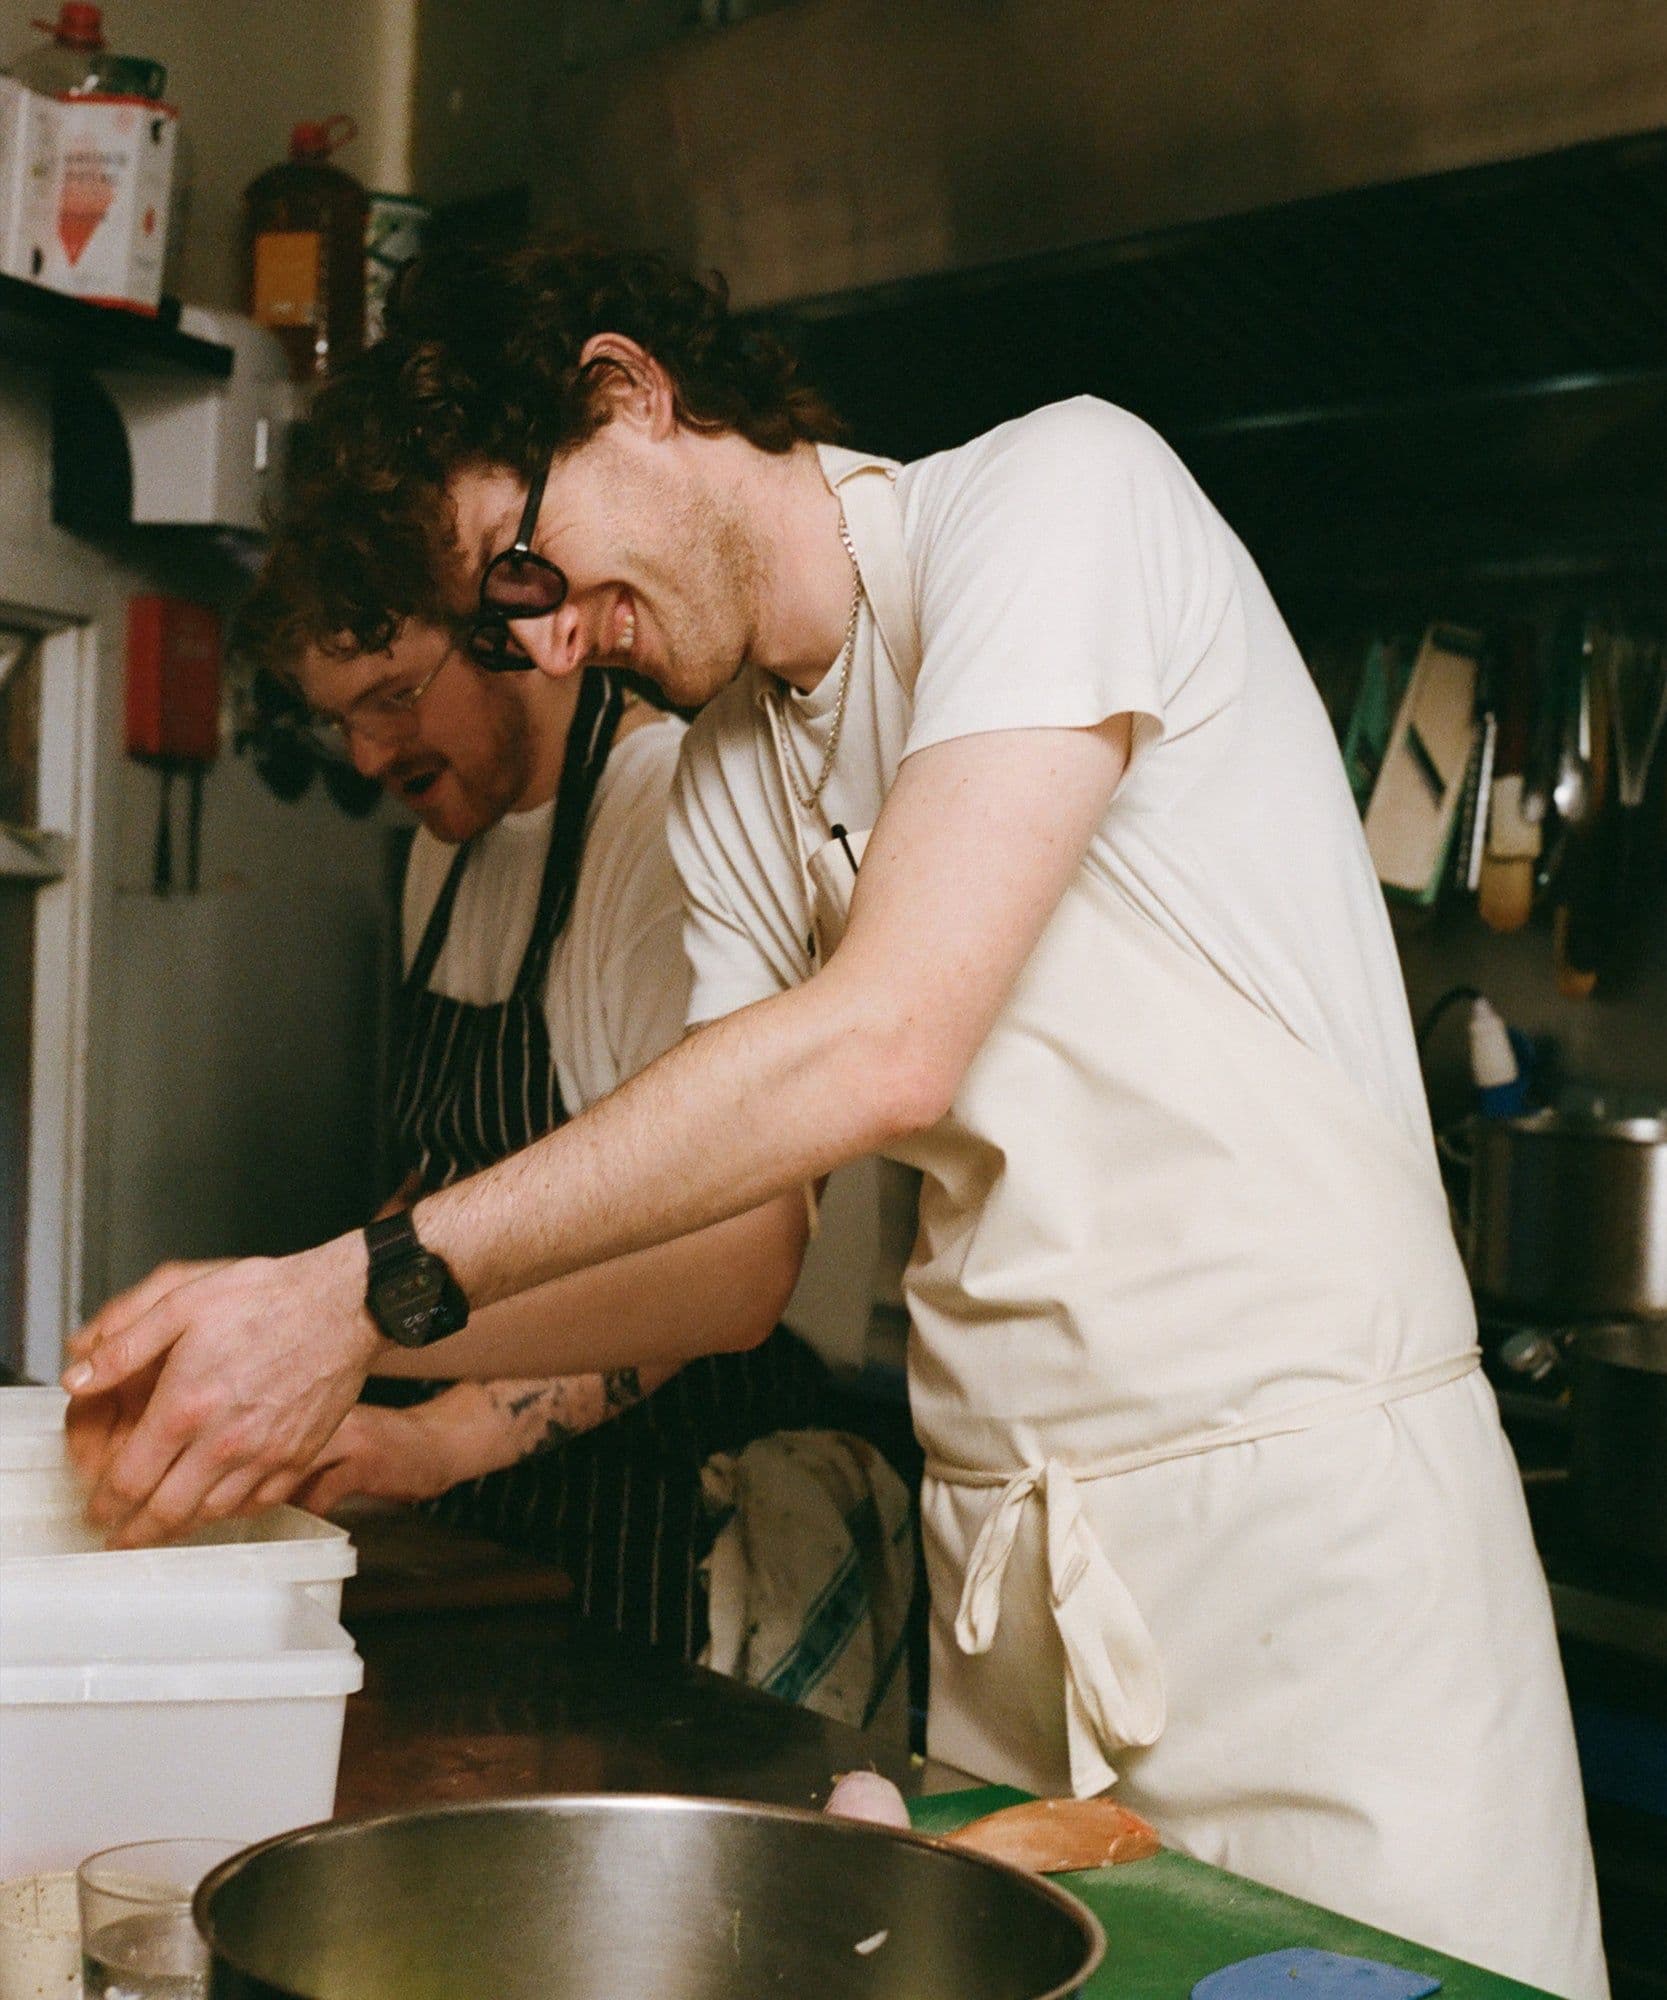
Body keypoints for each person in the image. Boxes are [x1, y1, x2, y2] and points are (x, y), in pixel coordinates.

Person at [64, 240, 1604, 1996]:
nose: (557, 642)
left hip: (1311, 1563)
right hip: (1003, 1586)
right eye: (506, 630)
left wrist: (355, 1287)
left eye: (529, 571)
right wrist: (348, 1347)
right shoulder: (729, 772)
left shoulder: (1053, 501)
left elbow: (884, 1041)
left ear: (630, 393)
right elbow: (729, 1259)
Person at [215, 495, 834, 1663]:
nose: (368, 756)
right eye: (338, 720)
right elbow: (455, 1167)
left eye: (394, 695)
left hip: (664, 1506)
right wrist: (301, 1343)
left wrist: (438, 1437)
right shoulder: (446, 849)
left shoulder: (659, 815)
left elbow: (707, 1252)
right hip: (489, 1495)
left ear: (504, 633)